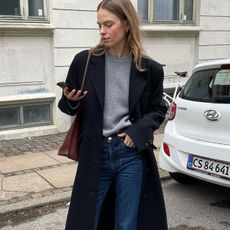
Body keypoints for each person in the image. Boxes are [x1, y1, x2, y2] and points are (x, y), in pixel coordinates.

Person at [58, 0, 168, 229]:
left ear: (126, 24)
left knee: (127, 224)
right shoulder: (85, 61)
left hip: (130, 154)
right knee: (87, 220)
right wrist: (71, 101)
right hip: (96, 153)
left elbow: (158, 109)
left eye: (108, 24)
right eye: (99, 25)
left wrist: (137, 131)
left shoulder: (149, 69)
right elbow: (67, 106)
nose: (102, 31)